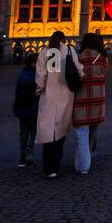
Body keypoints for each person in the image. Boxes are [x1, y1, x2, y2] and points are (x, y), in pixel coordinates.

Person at [35, 30, 77, 179]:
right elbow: (79, 71)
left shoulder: (46, 52)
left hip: (49, 96)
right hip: (66, 95)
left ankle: (50, 167)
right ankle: (56, 161)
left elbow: (41, 76)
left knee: (49, 132)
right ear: (63, 40)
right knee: (60, 130)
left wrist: (39, 89)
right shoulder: (70, 50)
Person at [72, 33, 108, 175]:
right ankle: (86, 159)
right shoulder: (102, 56)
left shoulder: (78, 56)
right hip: (97, 97)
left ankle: (82, 164)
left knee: (82, 132)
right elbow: (104, 72)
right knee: (93, 129)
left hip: (81, 97)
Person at [12, 52, 39, 167]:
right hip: (32, 108)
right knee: (33, 130)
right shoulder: (37, 76)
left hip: (21, 107)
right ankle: (30, 147)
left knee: (23, 133)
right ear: (34, 64)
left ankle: (22, 159)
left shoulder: (21, 74)